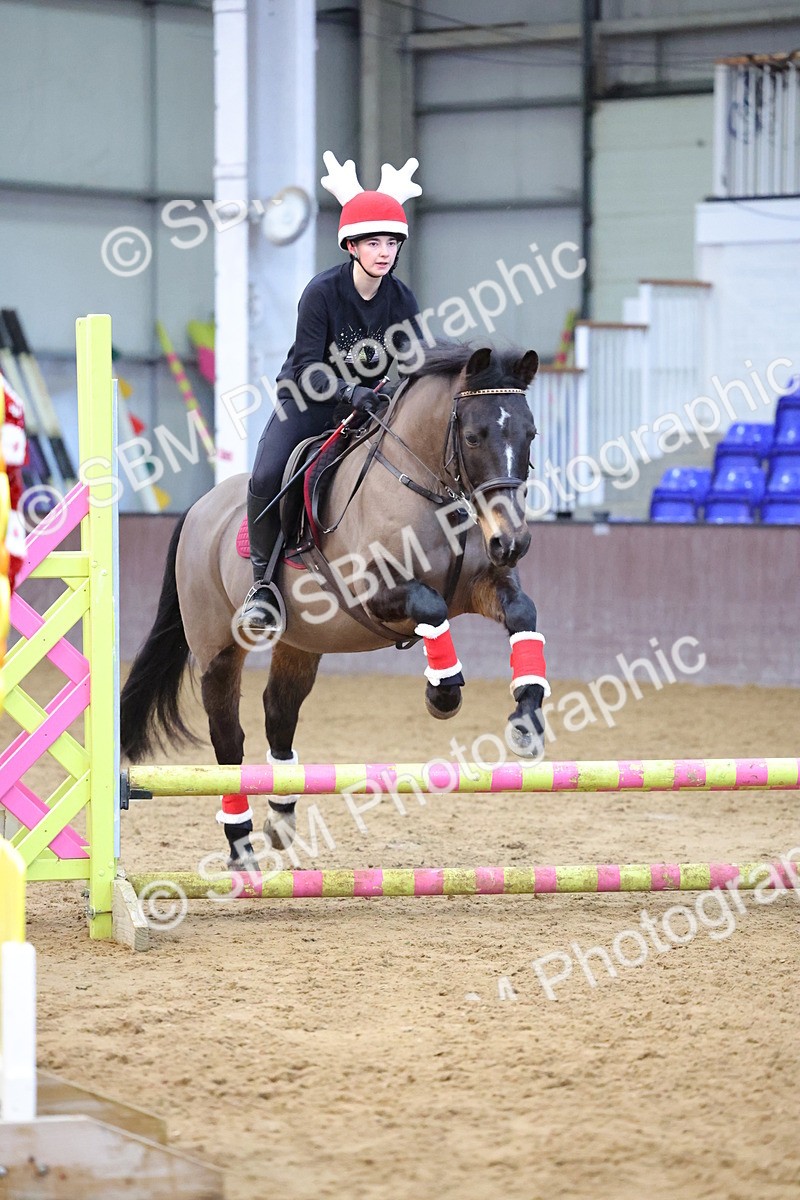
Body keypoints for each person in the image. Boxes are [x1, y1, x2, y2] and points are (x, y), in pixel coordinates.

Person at [239, 151, 423, 636]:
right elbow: (305, 367)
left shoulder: (402, 299)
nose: (384, 251)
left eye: (391, 242)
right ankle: (263, 587)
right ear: (351, 245)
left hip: (370, 410)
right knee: (267, 474)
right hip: (307, 402)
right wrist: (349, 391)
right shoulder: (321, 293)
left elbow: (413, 363)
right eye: (373, 242)